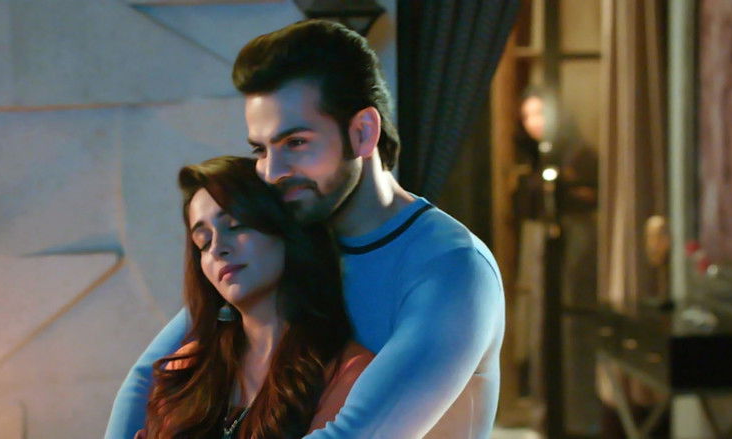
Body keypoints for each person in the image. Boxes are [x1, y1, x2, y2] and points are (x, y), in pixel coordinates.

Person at [107, 20, 504, 439]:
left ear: (362, 132)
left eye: (295, 142)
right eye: (261, 150)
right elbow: (145, 380)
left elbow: (352, 435)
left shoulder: (452, 267)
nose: (272, 172)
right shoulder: (294, 238)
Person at [136, 156, 373, 438]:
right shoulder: (188, 368)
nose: (218, 248)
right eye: (204, 241)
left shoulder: (348, 373)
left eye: (235, 225)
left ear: (285, 228)